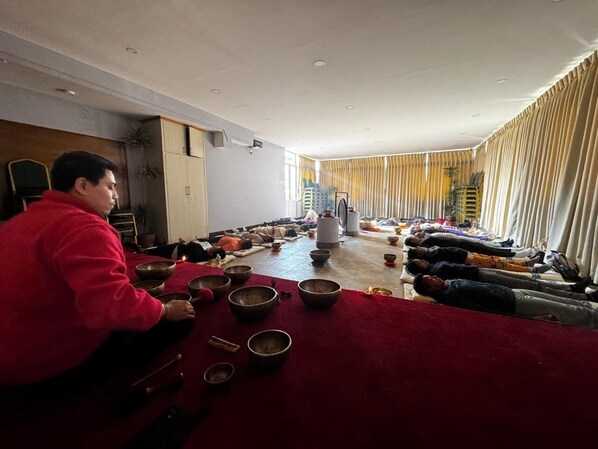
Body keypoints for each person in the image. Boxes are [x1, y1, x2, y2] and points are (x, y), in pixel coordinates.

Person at [0, 151, 196, 389]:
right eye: (110, 186)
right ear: (82, 185)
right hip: (43, 363)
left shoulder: (15, 222)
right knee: (181, 321)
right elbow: (111, 307)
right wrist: (165, 310)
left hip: (9, 352)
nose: (116, 195)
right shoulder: (84, 227)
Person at [412, 274, 598, 330]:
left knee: (559, 300)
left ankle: (589, 303)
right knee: (563, 310)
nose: (435, 276)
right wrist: (528, 321)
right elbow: (483, 311)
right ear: (431, 289)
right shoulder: (450, 296)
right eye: (431, 279)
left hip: (510, 292)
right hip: (514, 304)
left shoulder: (448, 284)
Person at [405, 259, 595, 300]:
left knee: (525, 280)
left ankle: (572, 289)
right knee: (532, 286)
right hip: (484, 280)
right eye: (419, 261)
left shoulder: (434, 265)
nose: (422, 258)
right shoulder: (444, 284)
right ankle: (577, 294)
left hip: (480, 272)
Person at [407, 246, 553, 274]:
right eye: (418, 252)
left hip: (468, 255)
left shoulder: (430, 253)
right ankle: (531, 269)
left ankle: (526, 262)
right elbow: (452, 263)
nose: (421, 249)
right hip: (468, 261)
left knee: (496, 259)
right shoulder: (433, 260)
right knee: (499, 264)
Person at [404, 234, 533, 258]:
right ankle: (515, 254)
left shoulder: (423, 241)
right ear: (413, 242)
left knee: (487, 248)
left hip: (458, 242)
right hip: (459, 246)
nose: (415, 237)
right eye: (413, 238)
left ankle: (513, 250)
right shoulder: (423, 243)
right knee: (487, 251)